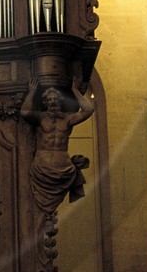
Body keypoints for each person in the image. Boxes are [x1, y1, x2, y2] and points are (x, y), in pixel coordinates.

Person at [21, 85, 95, 215]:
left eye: (55, 99)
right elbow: (25, 112)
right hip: (42, 167)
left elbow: (88, 110)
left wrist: (75, 90)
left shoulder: (67, 119)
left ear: (60, 101)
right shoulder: (41, 118)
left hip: (64, 167)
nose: (53, 102)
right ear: (45, 103)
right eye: (49, 100)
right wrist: (31, 92)